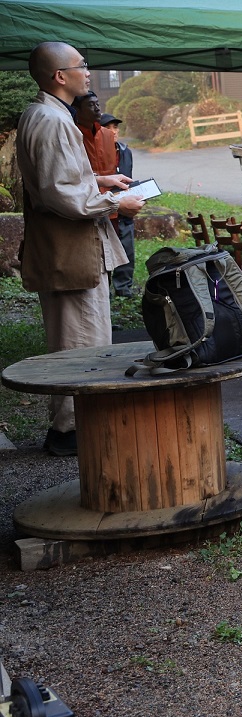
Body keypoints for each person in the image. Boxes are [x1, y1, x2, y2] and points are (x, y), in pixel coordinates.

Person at [16, 42, 143, 456]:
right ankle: (72, 432)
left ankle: (72, 428)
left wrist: (102, 181)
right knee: (81, 342)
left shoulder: (48, 115)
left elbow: (64, 180)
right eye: (81, 66)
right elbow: (59, 193)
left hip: (67, 246)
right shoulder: (51, 119)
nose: (88, 73)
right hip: (69, 248)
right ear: (59, 76)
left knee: (78, 336)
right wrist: (114, 202)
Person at [101, 112, 136, 298]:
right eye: (108, 127)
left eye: (115, 127)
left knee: (127, 246)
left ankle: (124, 287)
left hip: (124, 207)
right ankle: (103, 290)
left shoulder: (125, 151)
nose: (113, 131)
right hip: (104, 206)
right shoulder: (94, 152)